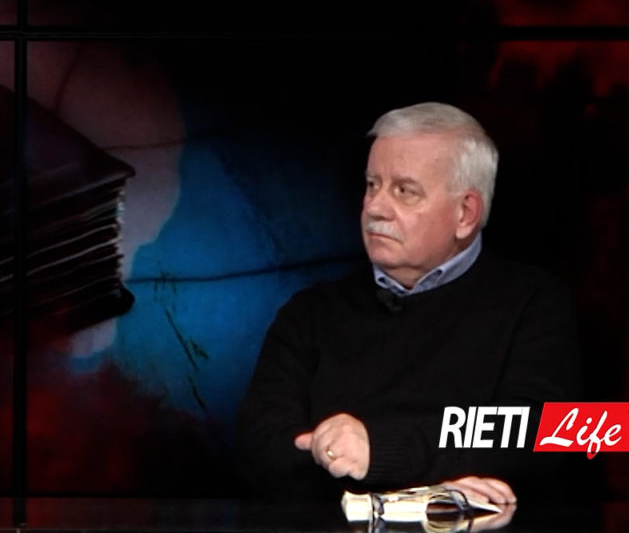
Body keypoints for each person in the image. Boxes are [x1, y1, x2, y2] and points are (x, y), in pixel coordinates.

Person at [237, 102, 581, 507]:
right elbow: (261, 447)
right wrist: (348, 459)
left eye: (404, 190)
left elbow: (534, 432)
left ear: (465, 214)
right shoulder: (309, 314)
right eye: (372, 185)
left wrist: (379, 451)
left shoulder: (534, 303)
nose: (375, 207)